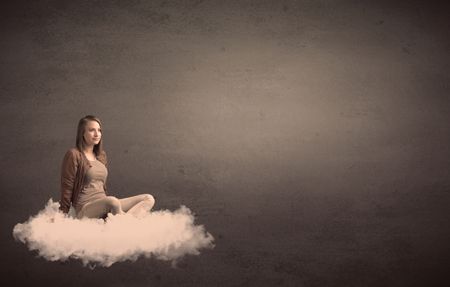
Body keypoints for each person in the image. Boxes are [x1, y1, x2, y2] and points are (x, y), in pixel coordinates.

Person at [59, 115, 155, 219]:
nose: (97, 134)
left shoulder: (101, 156)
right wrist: (62, 214)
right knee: (112, 201)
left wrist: (109, 208)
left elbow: (102, 187)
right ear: (82, 133)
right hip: (85, 208)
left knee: (148, 199)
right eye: (92, 130)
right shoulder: (74, 154)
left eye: (99, 130)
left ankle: (125, 222)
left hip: (105, 203)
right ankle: (125, 223)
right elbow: (67, 187)